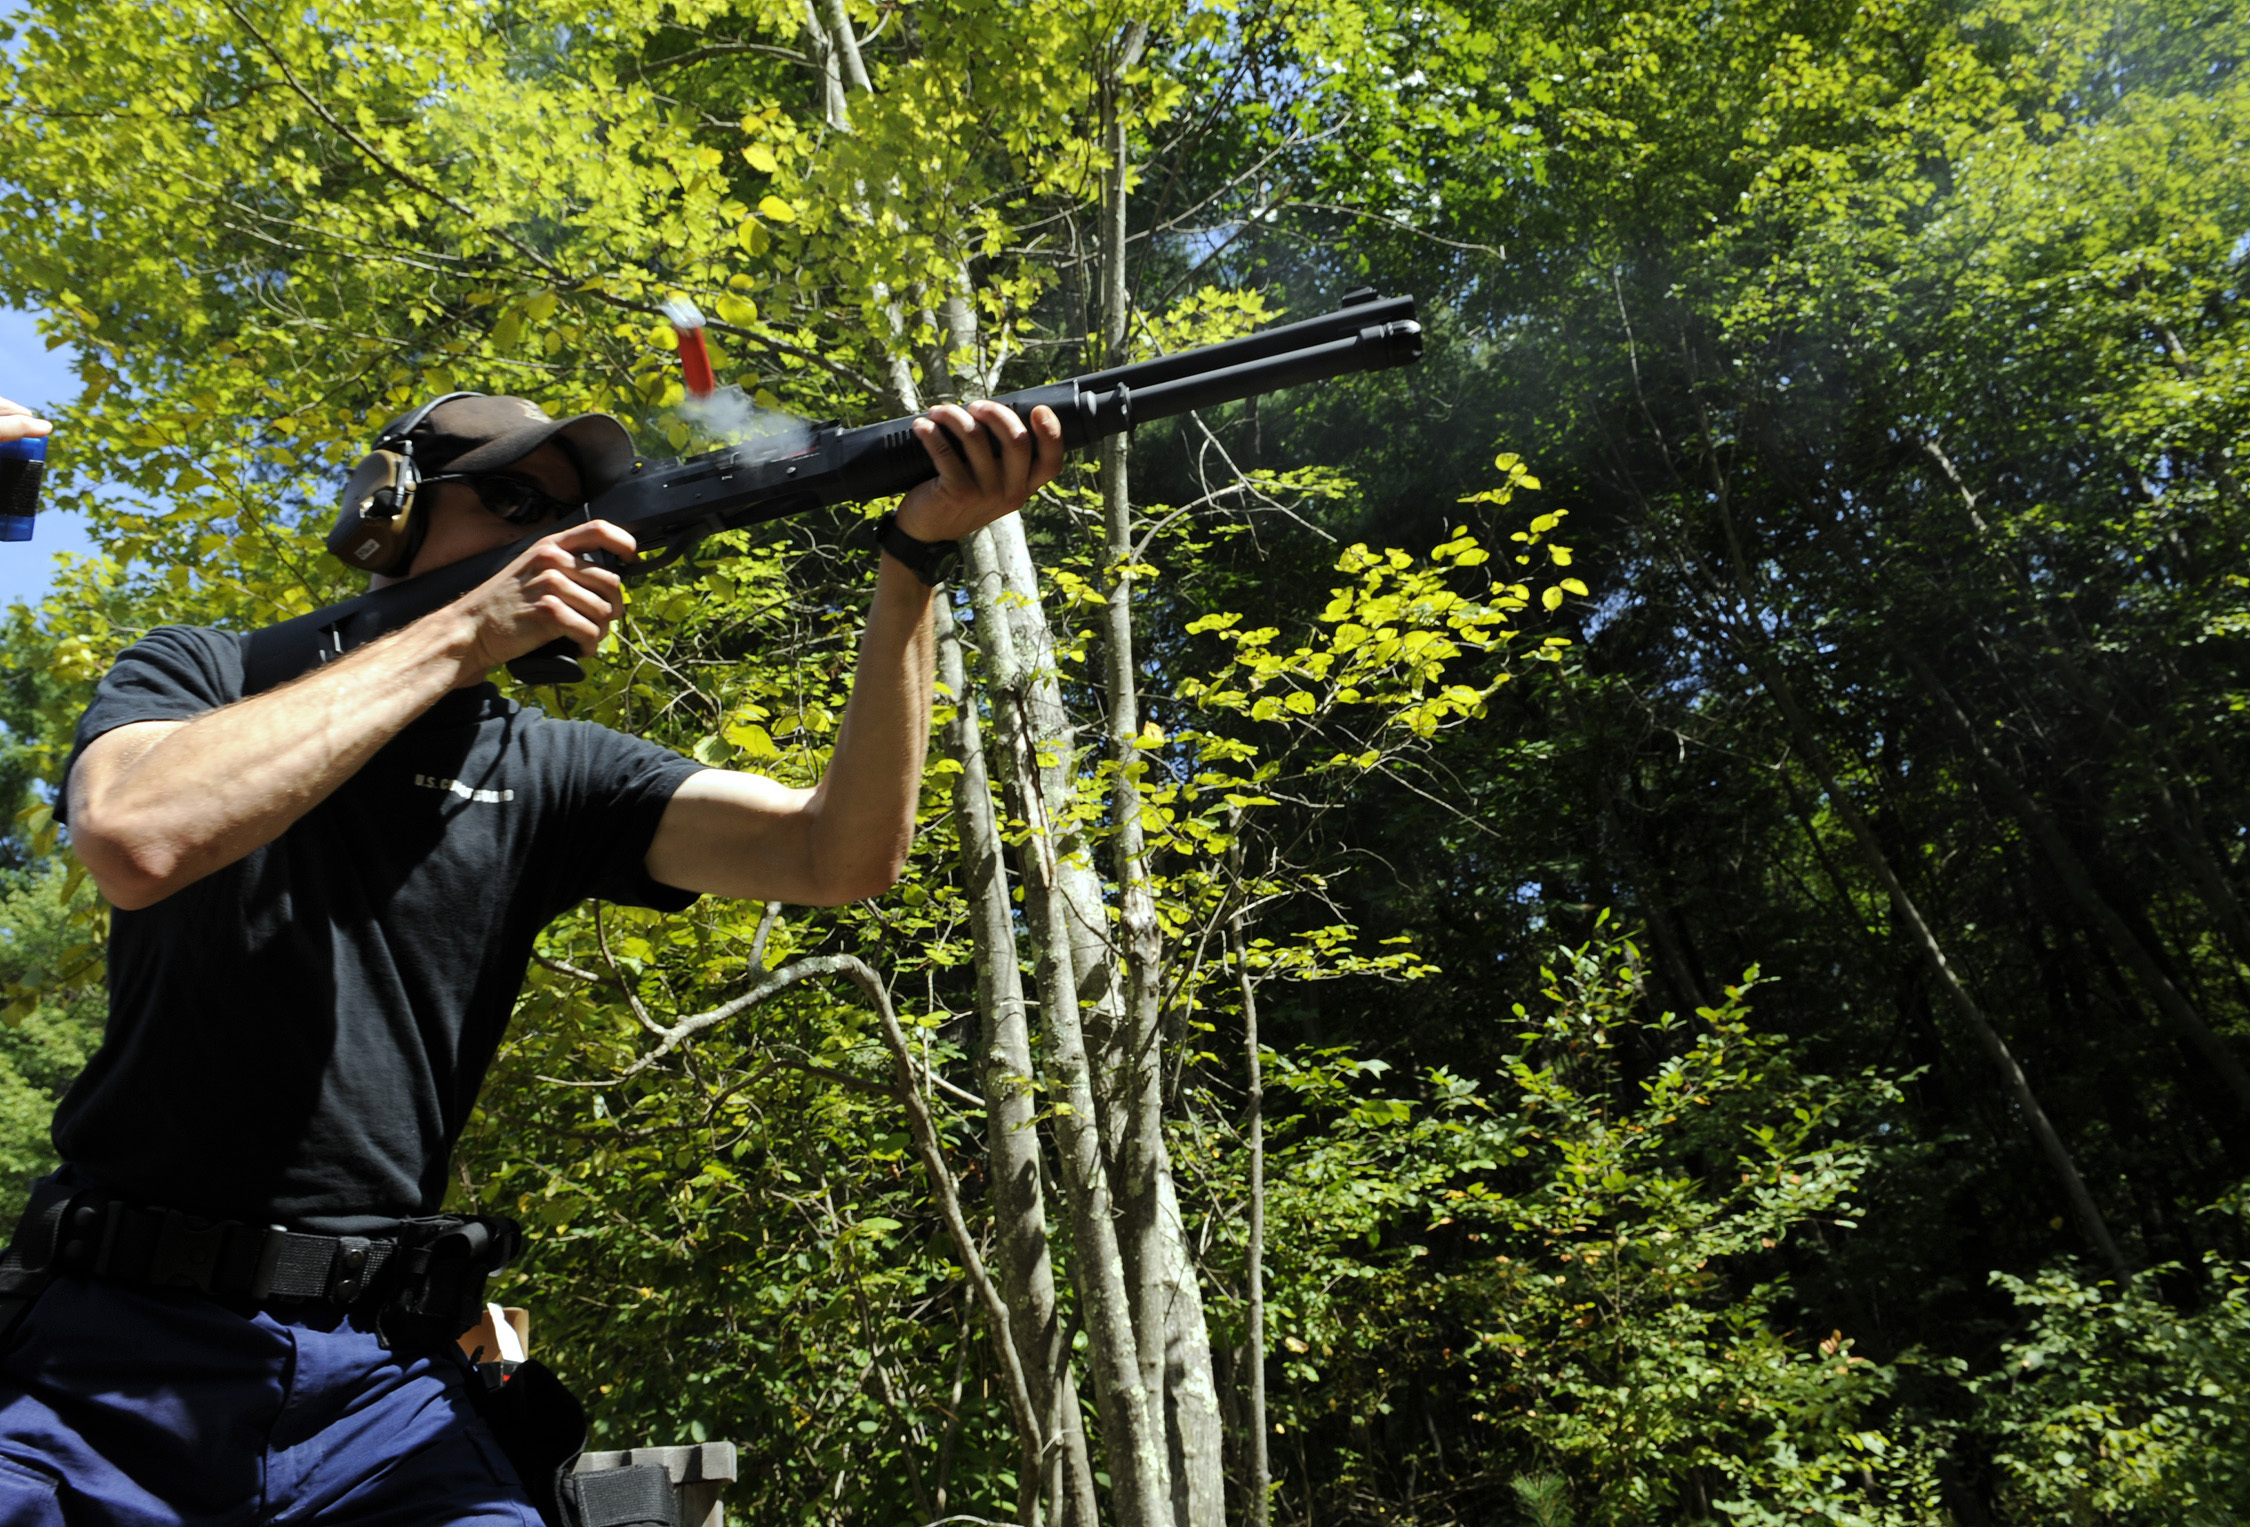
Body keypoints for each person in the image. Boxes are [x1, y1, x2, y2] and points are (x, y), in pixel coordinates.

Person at [0, 389, 1062, 1524]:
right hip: (105, 1356)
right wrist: (465, 632)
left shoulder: (553, 770)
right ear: (385, 508)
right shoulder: (206, 672)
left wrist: (914, 559)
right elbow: (135, 834)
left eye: (575, 513)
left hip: (378, 1383)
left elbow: (836, 854)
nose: (550, 539)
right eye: (509, 501)